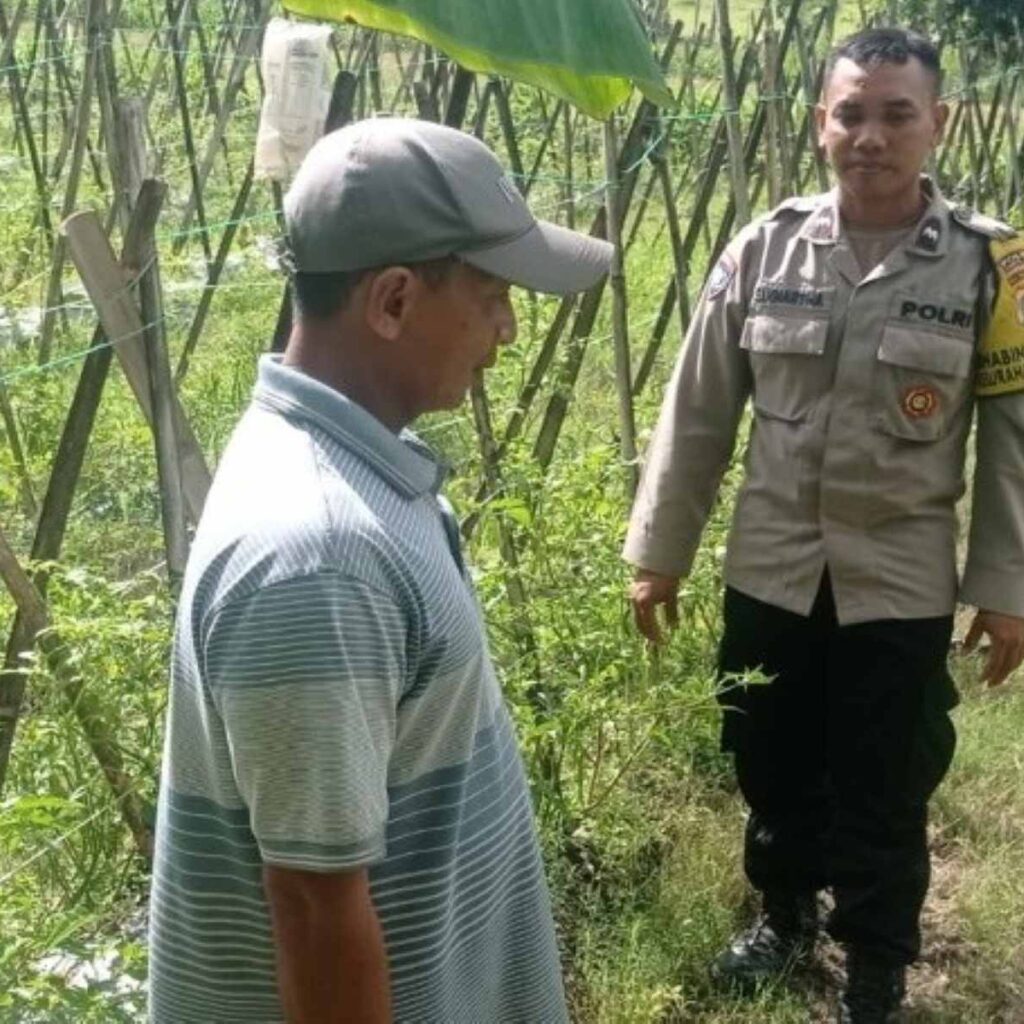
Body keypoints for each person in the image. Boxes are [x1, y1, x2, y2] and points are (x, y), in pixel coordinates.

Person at [148, 118, 612, 1024]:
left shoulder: (354, 473)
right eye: (491, 294)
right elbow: (317, 911)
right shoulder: (319, 559)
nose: (509, 328)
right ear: (394, 300)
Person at [624, 28, 1024, 1024]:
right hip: (771, 571)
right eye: (850, 113)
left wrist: (1007, 590)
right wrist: (658, 555)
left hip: (898, 579)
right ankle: (783, 915)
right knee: (768, 755)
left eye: (896, 113)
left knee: (888, 779)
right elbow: (699, 409)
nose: (871, 136)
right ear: (818, 125)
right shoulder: (763, 247)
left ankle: (879, 965)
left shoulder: (992, 270)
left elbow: (1013, 442)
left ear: (939, 122)